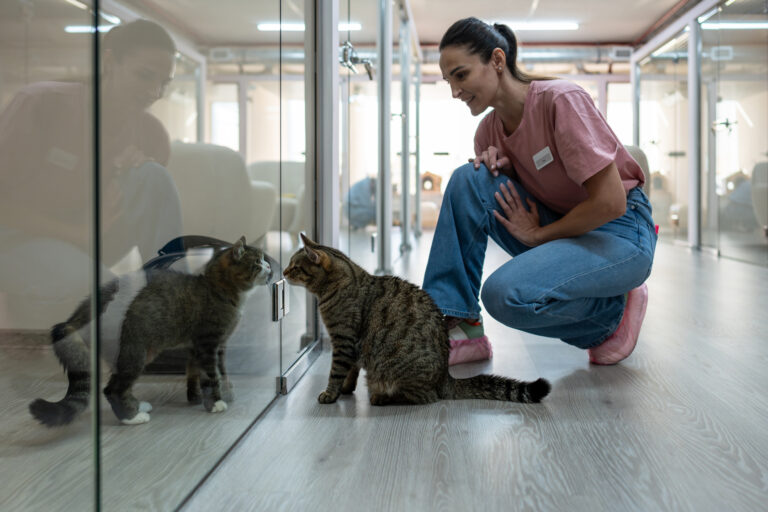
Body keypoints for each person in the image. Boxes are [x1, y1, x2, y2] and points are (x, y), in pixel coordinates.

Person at [422, 17, 657, 366]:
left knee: (504, 296)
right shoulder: (487, 133)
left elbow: (610, 202)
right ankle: (459, 324)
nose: (454, 91)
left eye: (461, 75)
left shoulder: (561, 100)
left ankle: (611, 315)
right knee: (467, 178)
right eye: (448, 81)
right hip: (561, 229)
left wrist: (540, 234)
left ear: (497, 61)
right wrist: (506, 172)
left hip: (620, 231)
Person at [0, 19, 183, 327]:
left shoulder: (151, 134)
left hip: (87, 244)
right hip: (17, 242)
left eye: (165, 82)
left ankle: (177, 302)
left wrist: (127, 176)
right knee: (110, 298)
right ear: (110, 61)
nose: (155, 92)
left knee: (152, 176)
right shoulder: (41, 104)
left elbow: (138, 211)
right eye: (144, 76)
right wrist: (75, 234)